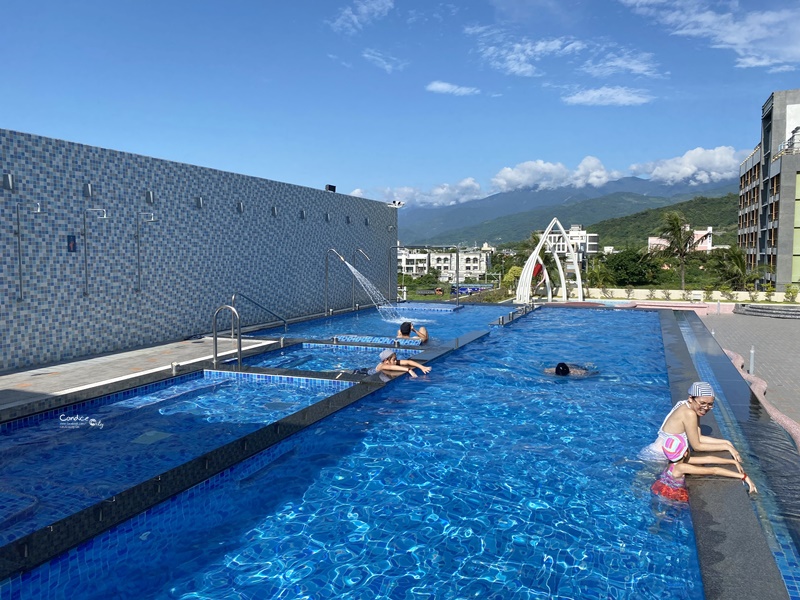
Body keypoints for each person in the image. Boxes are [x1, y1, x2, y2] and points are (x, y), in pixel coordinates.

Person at [639, 382, 743, 462]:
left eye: (710, 404)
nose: (706, 408)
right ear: (691, 398)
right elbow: (697, 446)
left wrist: (726, 442)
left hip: (661, 453)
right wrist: (725, 447)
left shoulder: (688, 406)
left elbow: (698, 437)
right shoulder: (689, 414)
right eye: (702, 403)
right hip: (658, 457)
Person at [651, 434, 757, 502]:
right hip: (672, 494)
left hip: (663, 487)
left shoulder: (673, 463)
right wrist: (744, 476)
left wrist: (732, 461)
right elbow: (713, 471)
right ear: (685, 453)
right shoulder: (682, 467)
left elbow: (708, 459)